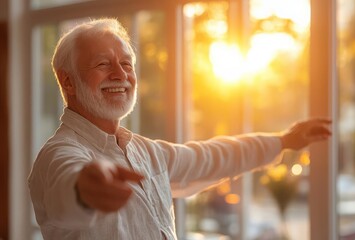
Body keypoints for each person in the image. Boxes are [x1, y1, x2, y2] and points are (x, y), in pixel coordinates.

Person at [28, 18, 331, 240]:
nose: (120, 74)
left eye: (127, 63)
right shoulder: (60, 153)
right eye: (102, 64)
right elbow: (65, 186)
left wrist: (283, 141)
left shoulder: (144, 151)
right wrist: (85, 190)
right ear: (68, 82)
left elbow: (213, 157)